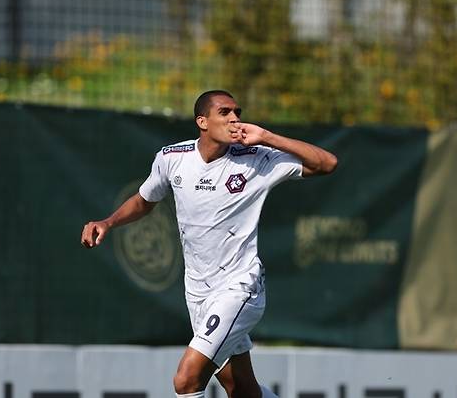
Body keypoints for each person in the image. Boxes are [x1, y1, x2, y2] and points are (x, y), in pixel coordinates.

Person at [81, 90, 338, 398]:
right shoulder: (172, 158)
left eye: (237, 112)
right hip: (199, 293)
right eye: (225, 112)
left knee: (186, 379)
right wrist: (107, 222)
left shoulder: (256, 160)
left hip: (239, 287)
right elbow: (144, 200)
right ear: (202, 121)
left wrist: (267, 136)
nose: (235, 119)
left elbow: (327, 163)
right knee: (241, 389)